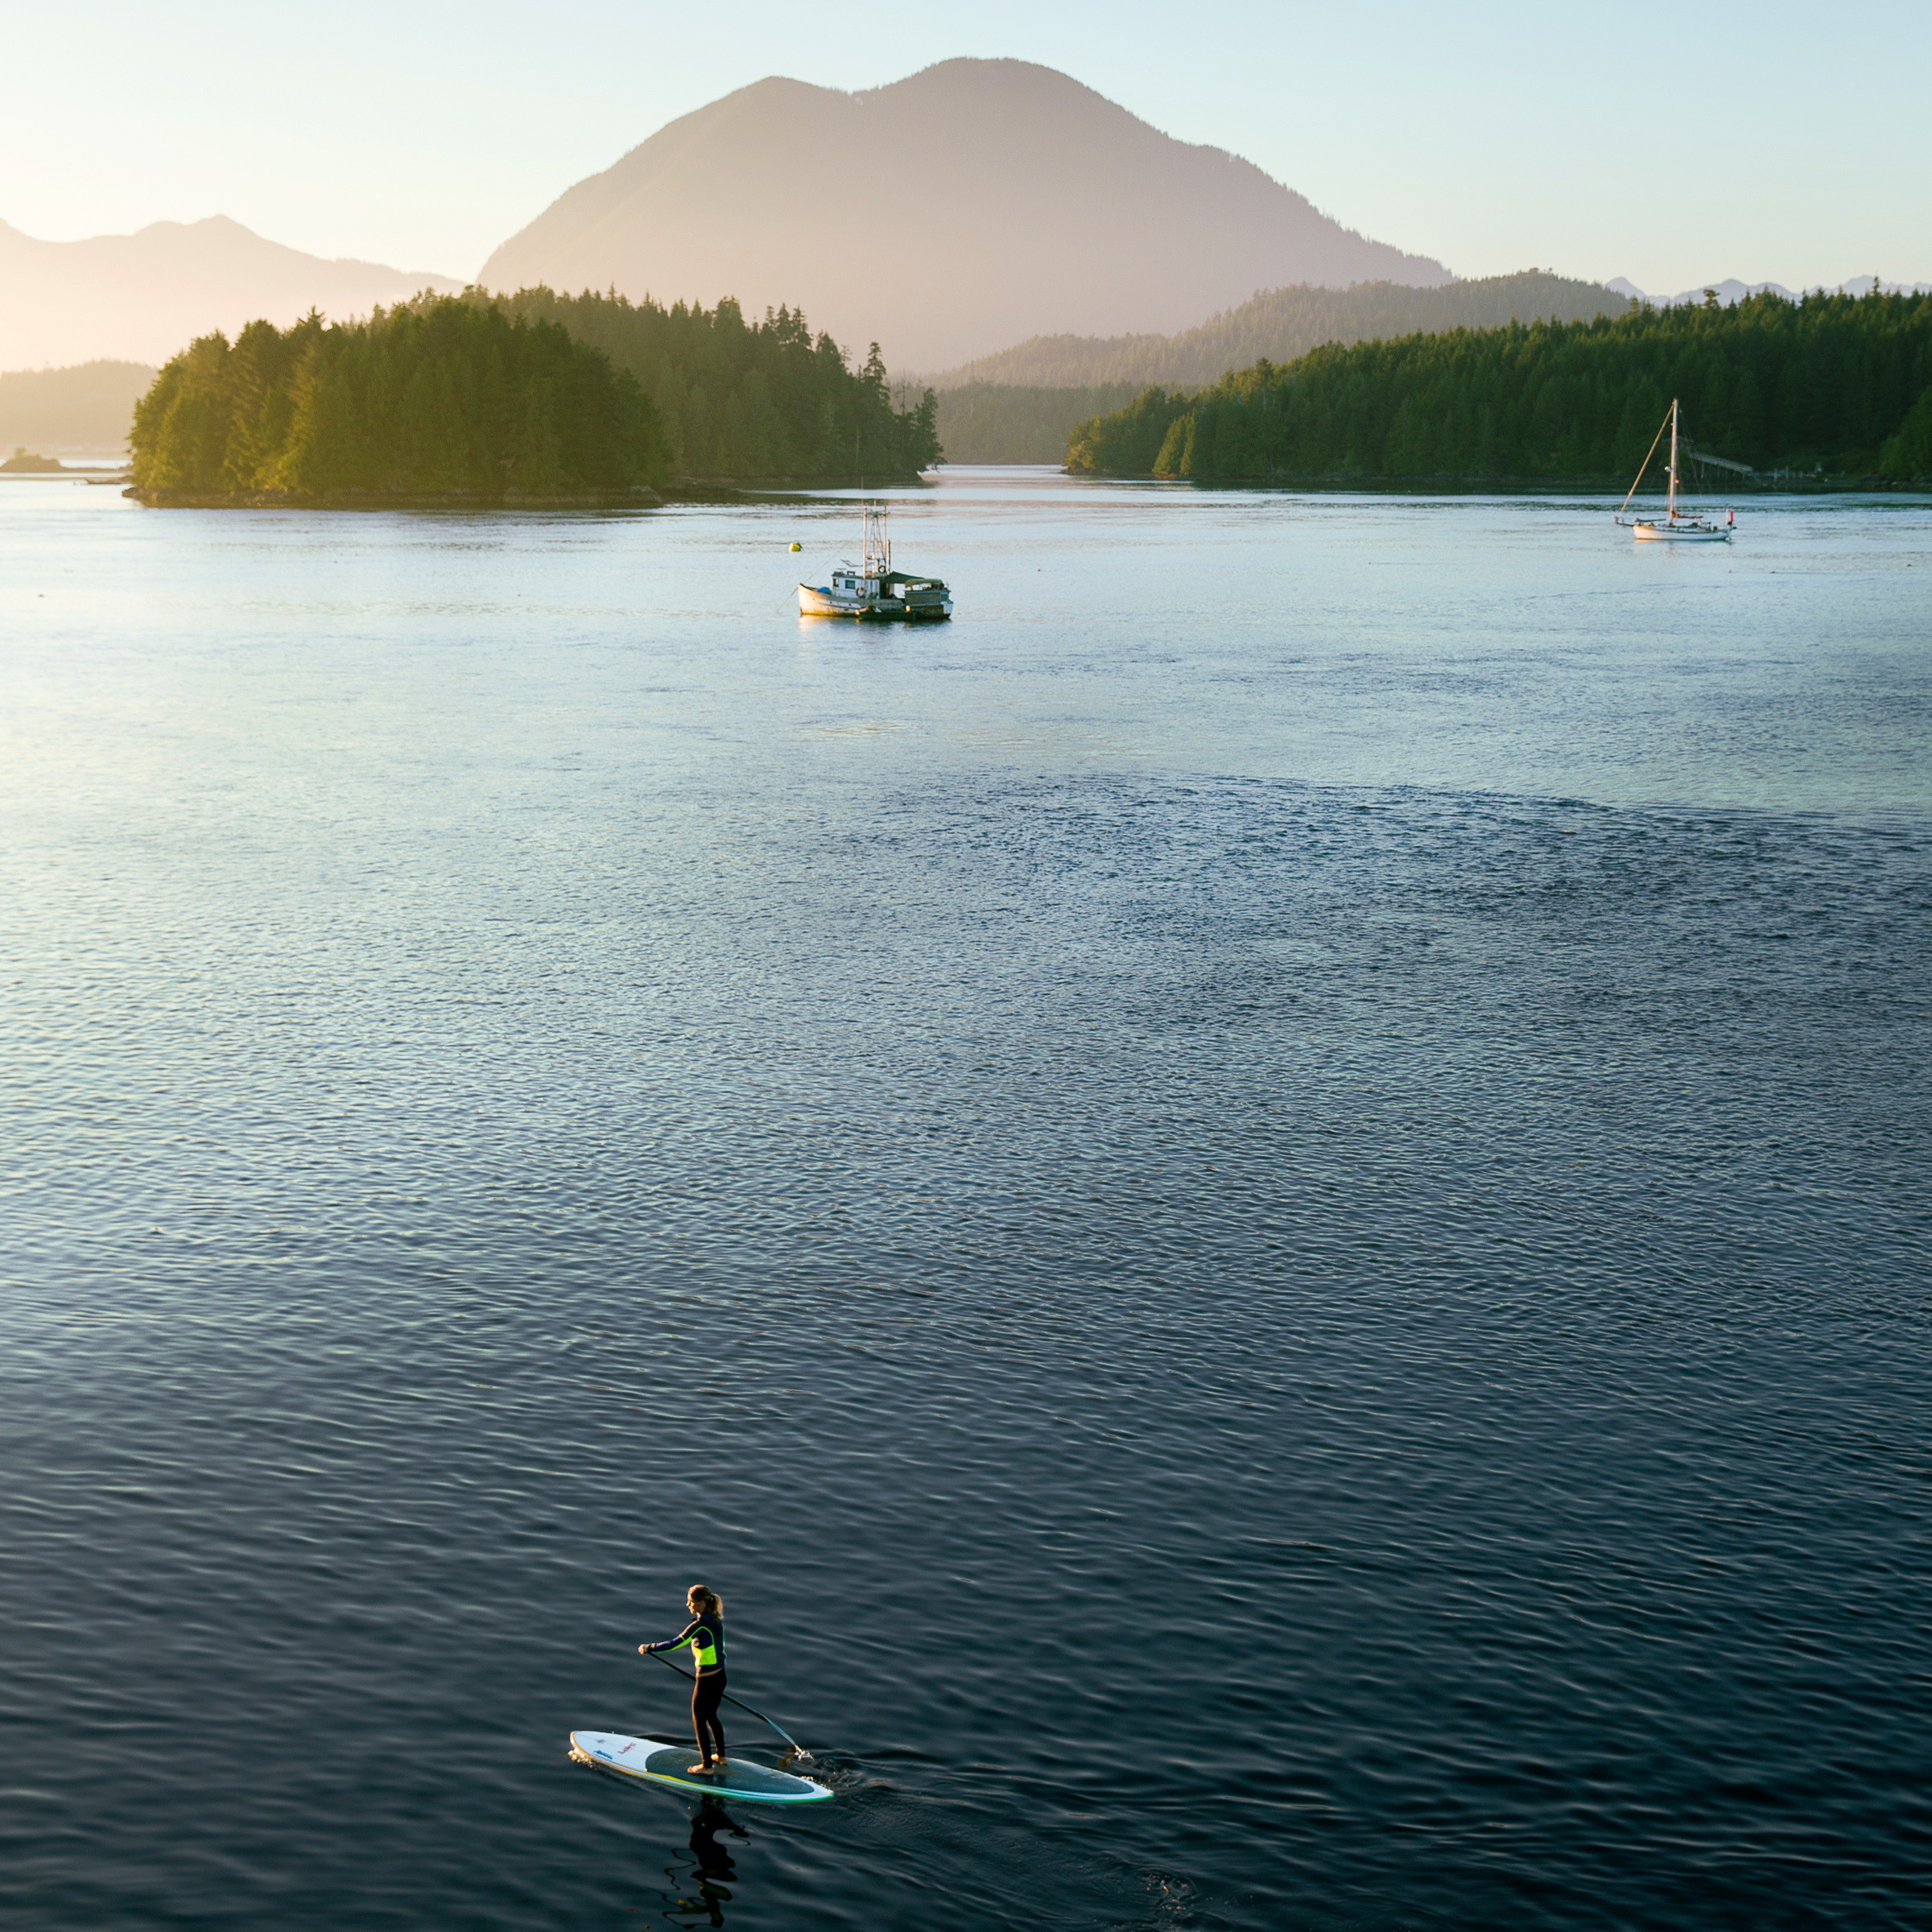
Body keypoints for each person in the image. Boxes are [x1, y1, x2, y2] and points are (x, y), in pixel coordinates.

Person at [641, 1585, 729, 1773]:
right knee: (711, 1715)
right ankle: (721, 1756)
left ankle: (706, 1766)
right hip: (721, 1677)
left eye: (691, 1601)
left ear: (702, 1603)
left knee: (699, 1719)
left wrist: (649, 1647)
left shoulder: (699, 1626)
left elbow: (674, 1644)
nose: (688, 1604)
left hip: (707, 1680)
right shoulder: (716, 1620)